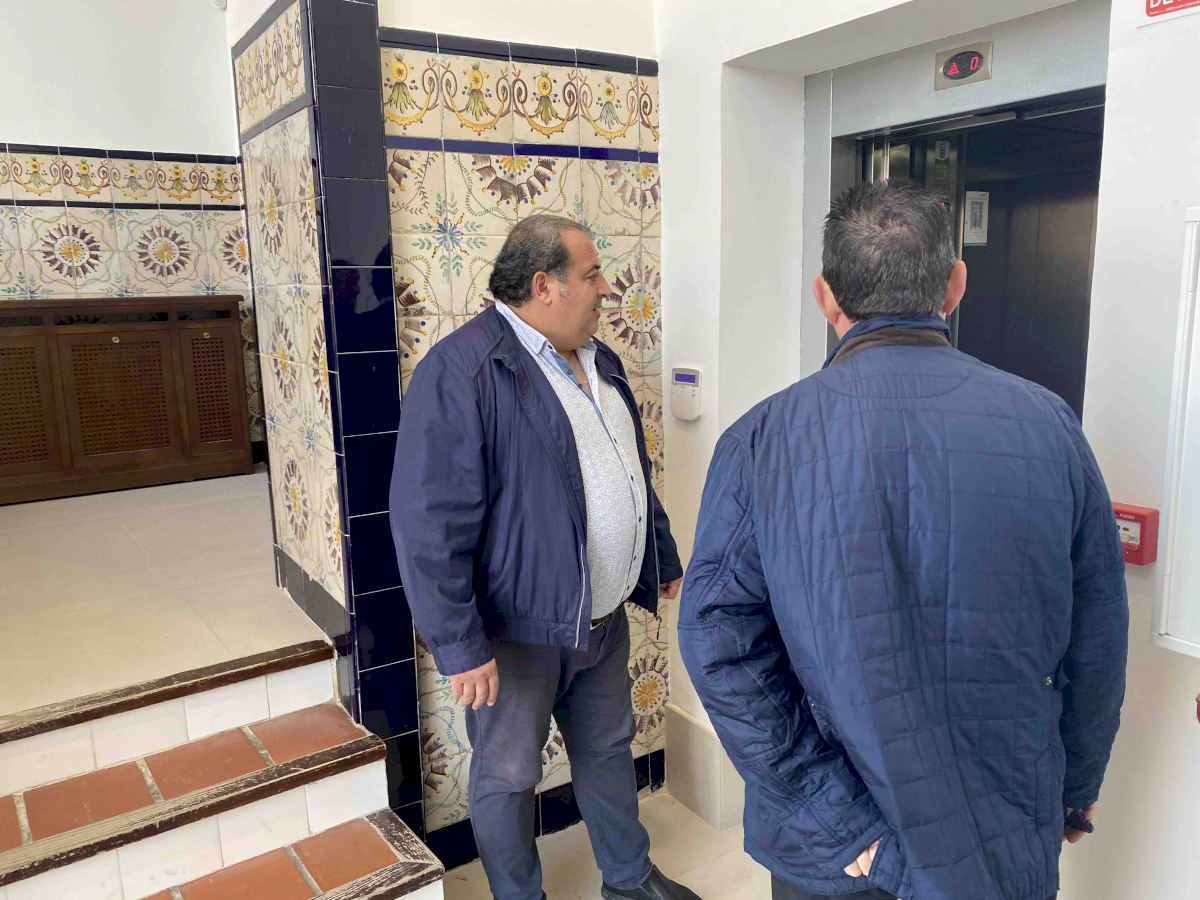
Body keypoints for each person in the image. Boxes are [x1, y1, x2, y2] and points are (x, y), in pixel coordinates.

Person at [678, 181, 1128, 900]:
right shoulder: (1049, 424)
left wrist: (834, 820)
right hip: (1005, 822)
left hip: (834, 854)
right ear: (955, 286)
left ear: (825, 298)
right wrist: (1075, 785)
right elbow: (1098, 633)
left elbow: (719, 643)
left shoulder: (762, 439)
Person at [389, 214, 698, 900]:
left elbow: (628, 473)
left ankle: (629, 880)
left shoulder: (599, 359)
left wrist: (660, 554)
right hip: (517, 634)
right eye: (592, 274)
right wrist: (458, 644)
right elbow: (427, 522)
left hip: (601, 619)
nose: (606, 288)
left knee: (609, 750)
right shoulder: (463, 370)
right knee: (507, 776)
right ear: (543, 285)